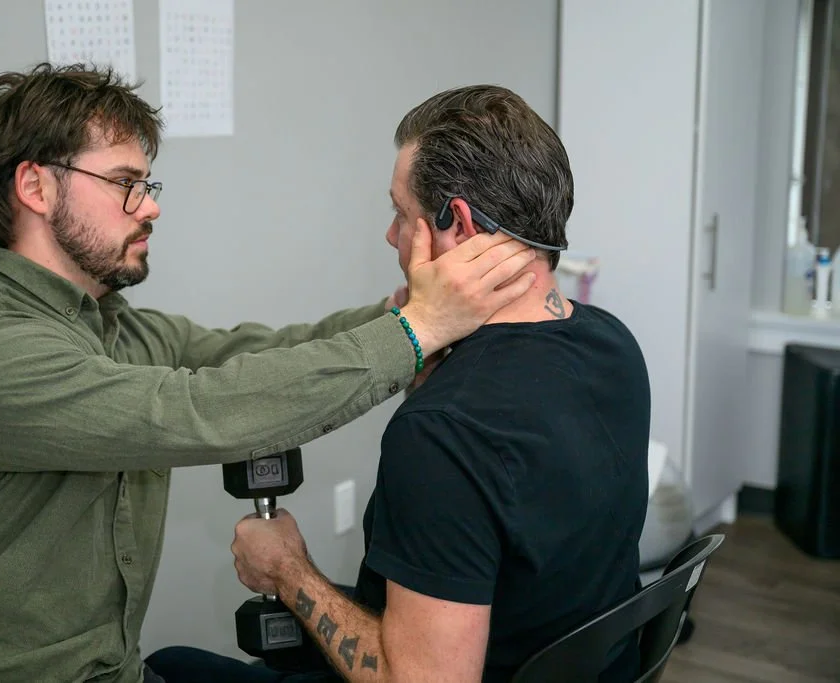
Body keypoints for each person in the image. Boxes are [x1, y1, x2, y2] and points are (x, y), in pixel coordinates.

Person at [0, 64, 539, 683]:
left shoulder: (121, 331)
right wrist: (416, 332)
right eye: (124, 184)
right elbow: (199, 408)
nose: (150, 205)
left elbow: (265, 354)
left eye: (146, 184)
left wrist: (405, 313)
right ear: (35, 186)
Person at [147, 85, 652, 682]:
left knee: (167, 666)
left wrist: (288, 570)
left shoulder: (443, 431)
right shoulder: (613, 343)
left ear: (457, 224)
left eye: (400, 212)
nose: (391, 235)